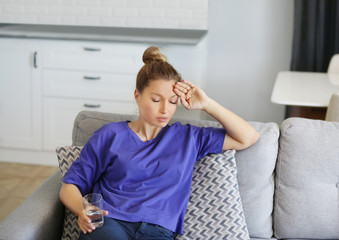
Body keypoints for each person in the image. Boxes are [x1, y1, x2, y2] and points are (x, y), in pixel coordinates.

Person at [59, 46, 260, 240]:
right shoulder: (109, 135)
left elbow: (248, 137)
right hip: (110, 222)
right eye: (156, 100)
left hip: (159, 231)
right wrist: (83, 210)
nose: (165, 109)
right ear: (137, 96)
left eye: (173, 102)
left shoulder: (189, 138)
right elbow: (69, 187)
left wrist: (207, 104)